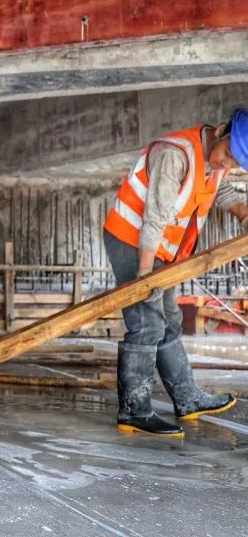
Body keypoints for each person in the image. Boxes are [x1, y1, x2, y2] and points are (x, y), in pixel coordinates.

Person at [103, 108, 248, 437]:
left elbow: (219, 189)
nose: (227, 165)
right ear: (221, 130)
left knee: (169, 320)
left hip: (163, 252)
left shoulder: (216, 161)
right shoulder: (175, 155)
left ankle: (187, 399)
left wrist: (243, 214)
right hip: (132, 240)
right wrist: (144, 276)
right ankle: (134, 411)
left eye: (235, 164)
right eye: (227, 155)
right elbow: (154, 216)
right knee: (146, 322)